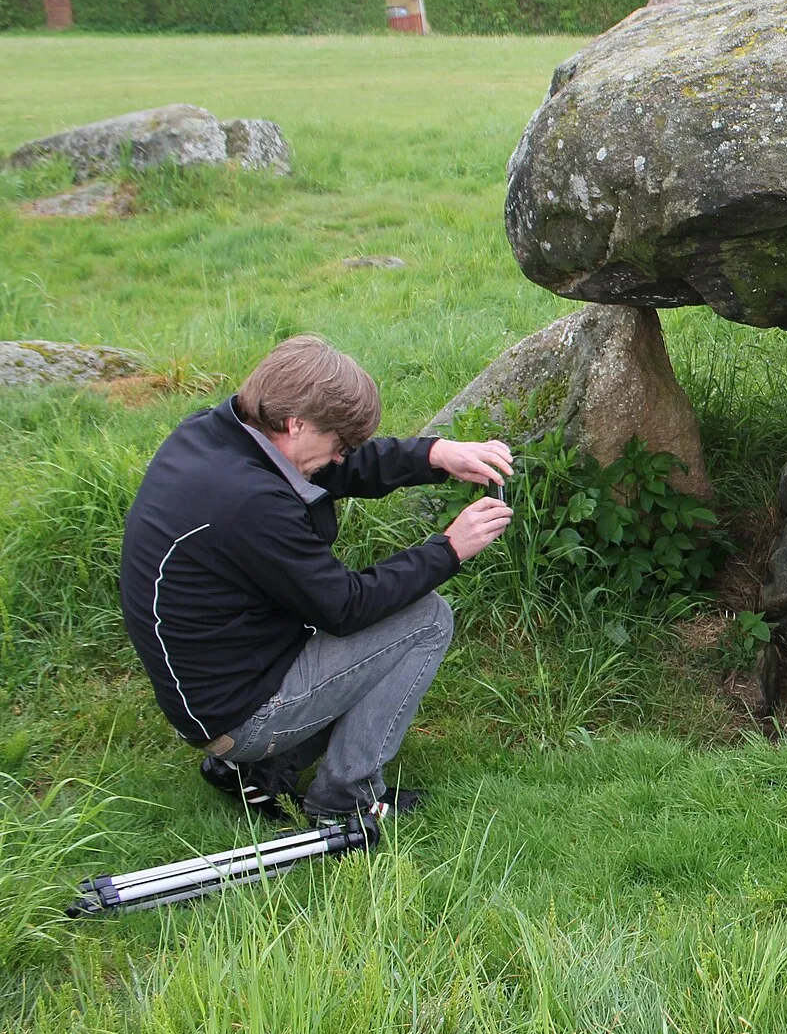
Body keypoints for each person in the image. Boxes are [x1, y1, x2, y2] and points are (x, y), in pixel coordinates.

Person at [118, 334, 514, 823]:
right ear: (296, 422)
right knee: (427, 619)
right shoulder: (249, 502)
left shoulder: (222, 436)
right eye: (338, 443)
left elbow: (336, 470)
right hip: (236, 716)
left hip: (216, 688)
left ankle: (262, 768)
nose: (341, 457)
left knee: (385, 617)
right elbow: (345, 608)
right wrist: (450, 548)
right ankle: (344, 801)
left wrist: (435, 454)